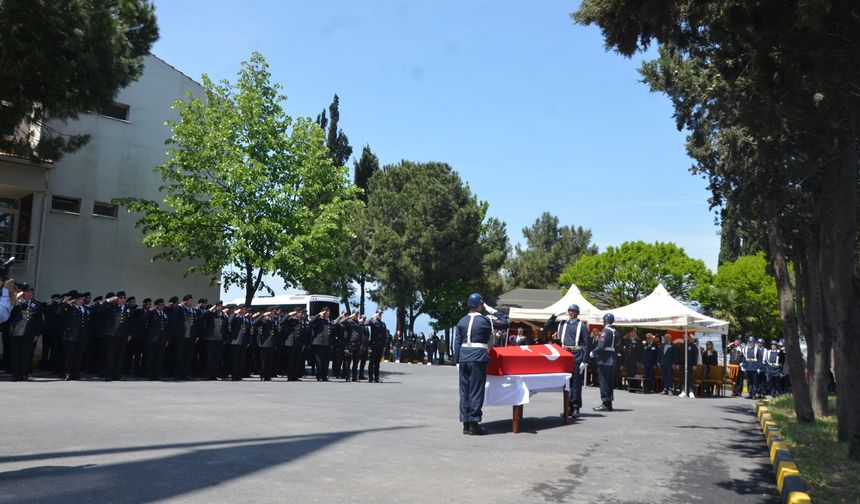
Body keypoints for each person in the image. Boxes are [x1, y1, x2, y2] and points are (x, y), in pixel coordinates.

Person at [455, 293, 509, 435]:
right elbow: (505, 321)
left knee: (464, 391)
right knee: (476, 391)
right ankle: (474, 423)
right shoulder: (486, 321)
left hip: (463, 357)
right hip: (477, 357)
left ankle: (465, 424)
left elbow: (457, 343)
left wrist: (457, 360)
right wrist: (490, 309)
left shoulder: (461, 321)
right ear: (480, 305)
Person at [544, 303, 589, 418]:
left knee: (576, 382)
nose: (571, 312)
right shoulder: (563, 324)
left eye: (573, 311)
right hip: (565, 354)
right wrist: (554, 316)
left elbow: (587, 343)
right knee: (566, 383)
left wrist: (585, 360)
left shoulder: (582, 326)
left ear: (577, 312)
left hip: (576, 354)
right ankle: (567, 407)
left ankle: (575, 407)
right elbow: (547, 326)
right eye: (569, 310)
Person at [99, 291, 132, 381]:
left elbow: (130, 322)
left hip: (123, 335)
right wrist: (109, 300)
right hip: (112, 334)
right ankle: (108, 375)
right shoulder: (111, 306)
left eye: (124, 297)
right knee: (110, 355)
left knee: (120, 356)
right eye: (121, 297)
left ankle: (118, 375)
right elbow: (100, 309)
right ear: (117, 298)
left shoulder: (127, 308)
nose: (123, 299)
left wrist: (130, 333)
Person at [590, 313, 620, 411]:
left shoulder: (605, 331)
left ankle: (605, 403)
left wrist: (593, 352)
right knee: (610, 382)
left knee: (603, 381)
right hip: (613, 358)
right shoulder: (617, 332)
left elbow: (601, 345)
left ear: (606, 321)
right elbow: (618, 344)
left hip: (604, 359)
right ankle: (609, 402)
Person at [144, 298, 169, 381]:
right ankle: (149, 375)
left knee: (159, 358)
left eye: (163, 305)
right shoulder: (152, 313)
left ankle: (157, 374)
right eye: (160, 305)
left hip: (162, 339)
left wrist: (166, 339)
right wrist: (151, 310)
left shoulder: (164, 314)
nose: (162, 307)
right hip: (152, 339)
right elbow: (144, 318)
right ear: (157, 306)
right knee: (151, 358)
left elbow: (166, 328)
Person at [308, 306, 334, 381]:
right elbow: (311, 321)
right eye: (327, 311)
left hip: (327, 344)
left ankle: (324, 376)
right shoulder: (318, 319)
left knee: (326, 361)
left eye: (329, 311)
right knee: (319, 361)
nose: (328, 313)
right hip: (319, 343)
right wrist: (319, 314)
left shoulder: (329, 321)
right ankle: (319, 376)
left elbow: (331, 333)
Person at [365, 309, 387, 382]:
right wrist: (373, 316)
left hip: (380, 345)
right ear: (376, 314)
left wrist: (384, 346)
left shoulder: (383, 323)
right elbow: (365, 323)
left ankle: (376, 377)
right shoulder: (373, 322)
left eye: (381, 314)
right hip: (374, 345)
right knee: (372, 362)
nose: (380, 315)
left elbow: (385, 336)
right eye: (379, 313)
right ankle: (371, 377)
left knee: (377, 362)